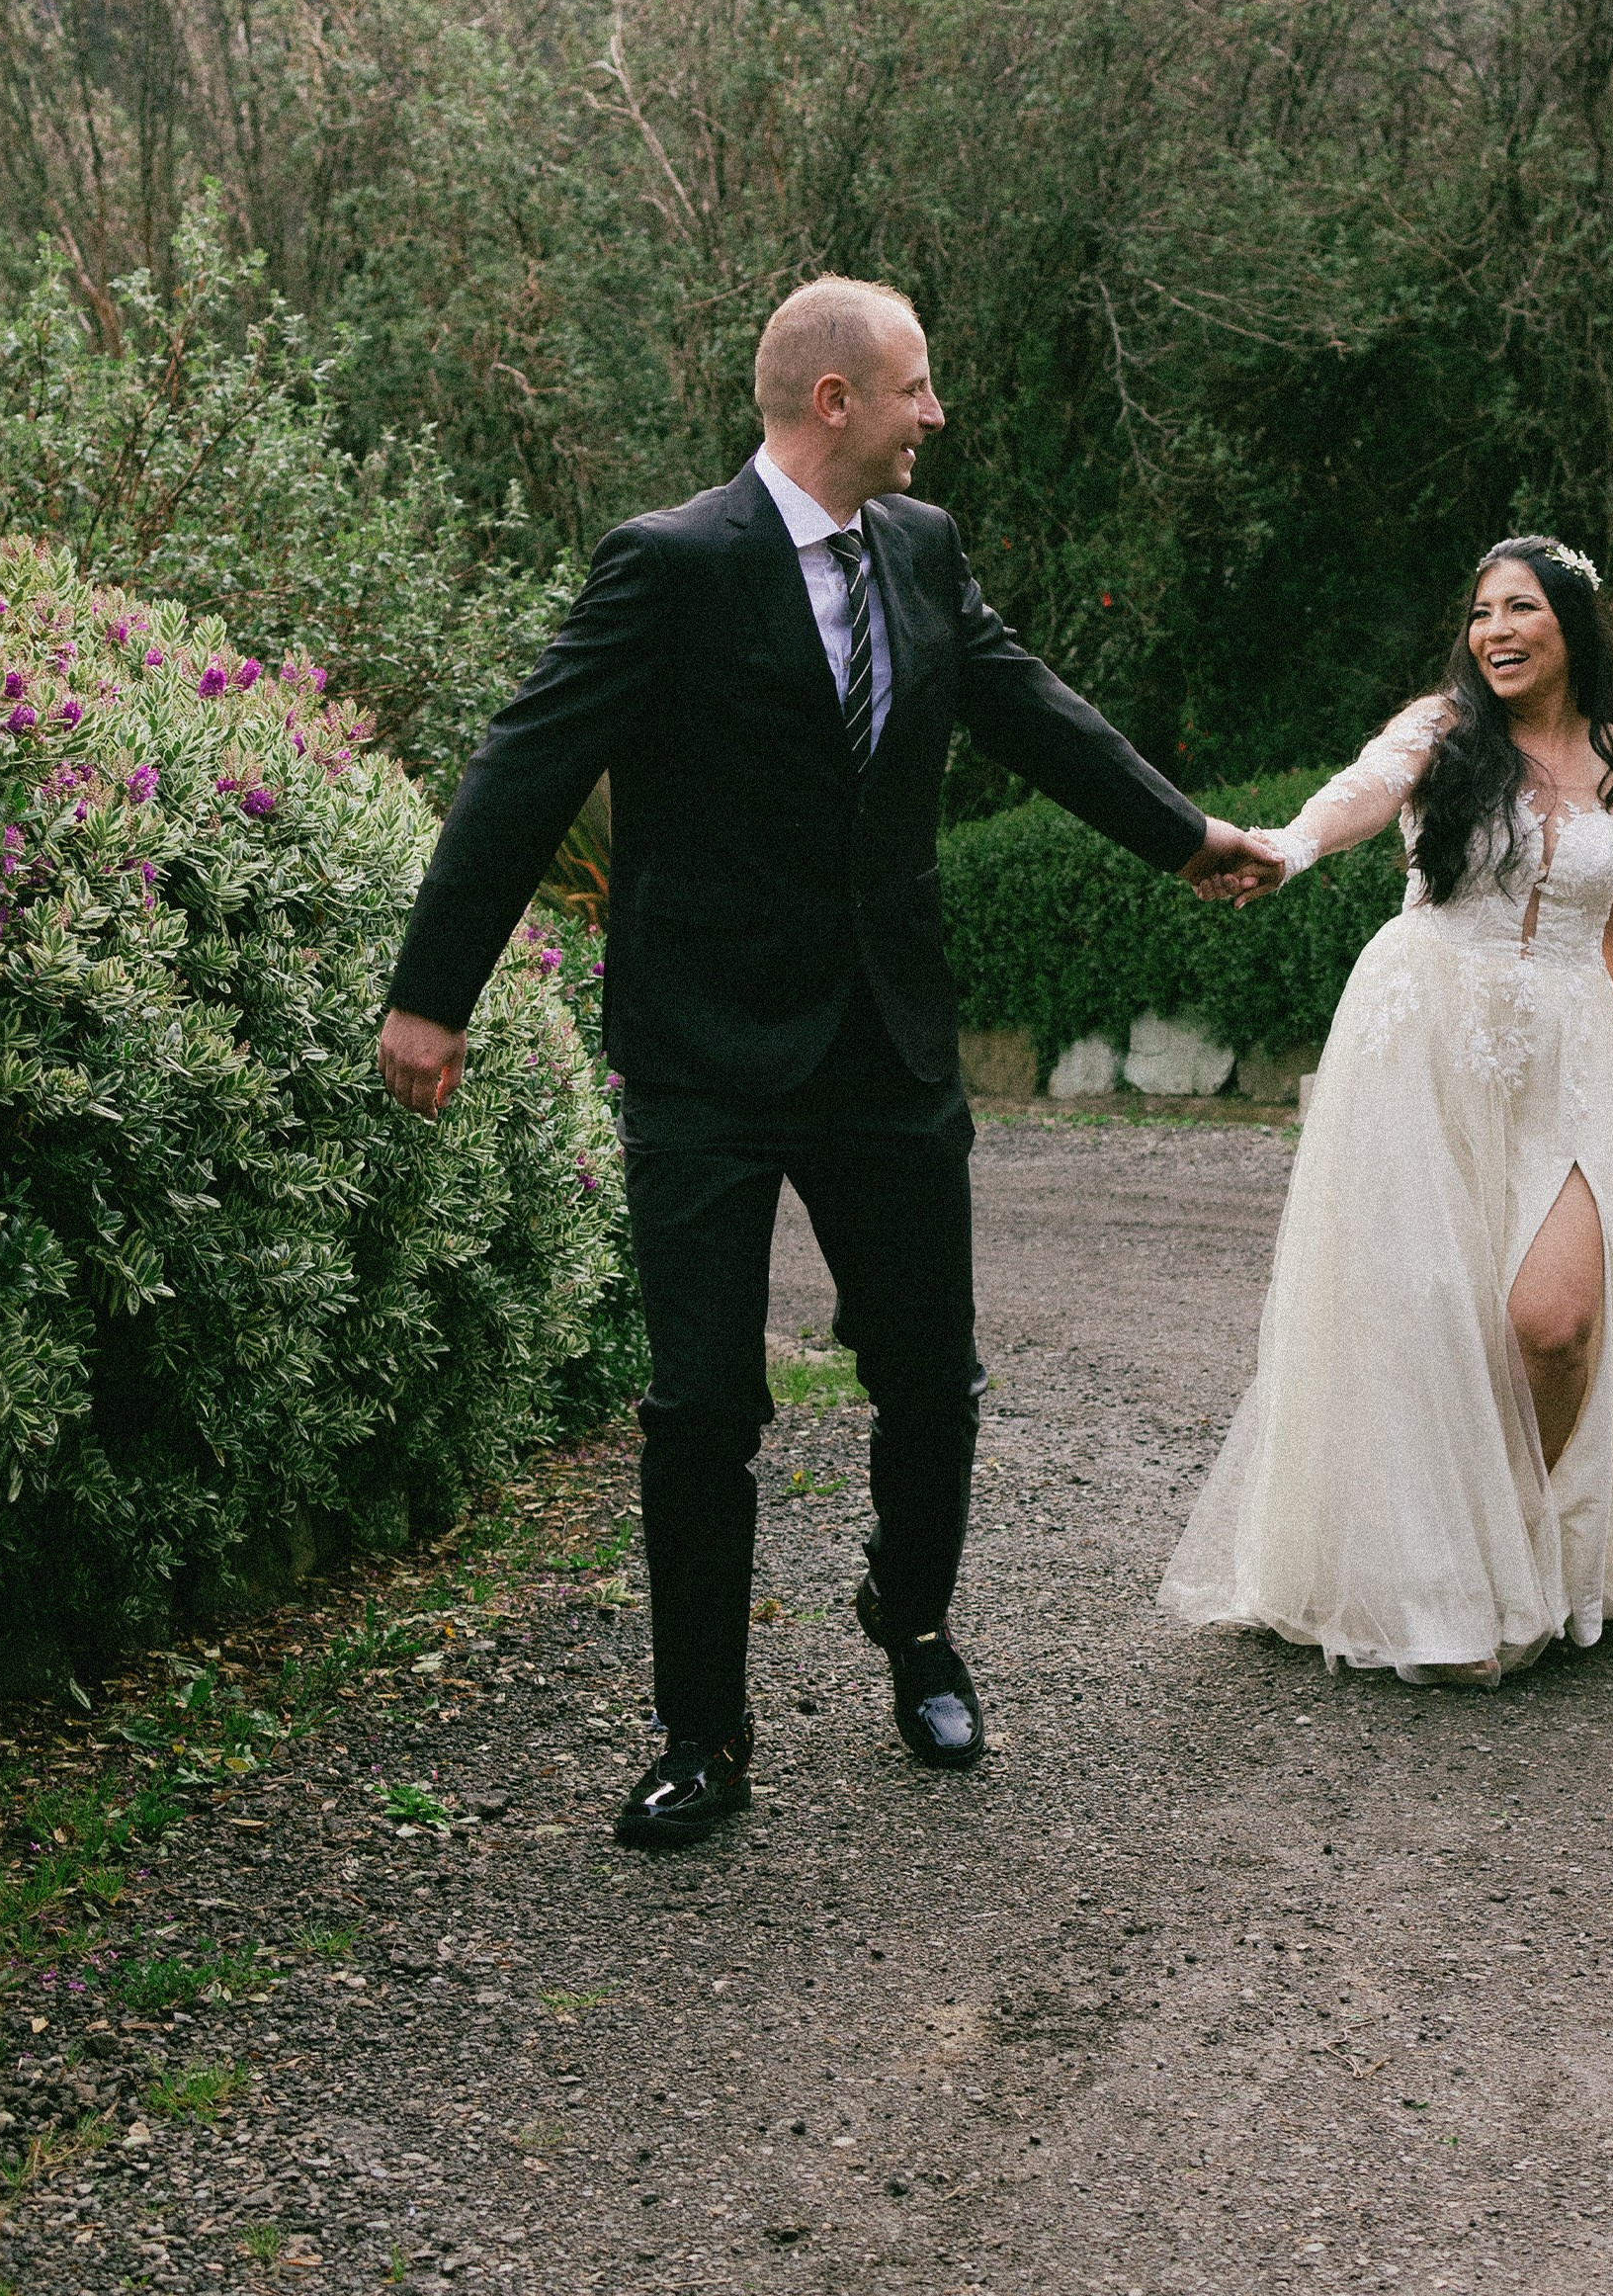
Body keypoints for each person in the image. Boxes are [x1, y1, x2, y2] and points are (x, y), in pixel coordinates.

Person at [379, 277, 1265, 1842]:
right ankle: (700, 1737)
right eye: (916, 386)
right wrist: (429, 996)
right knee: (700, 1404)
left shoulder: (919, 548)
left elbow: (1025, 706)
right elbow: (527, 765)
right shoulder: (668, 563)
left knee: (930, 1374)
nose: (937, 413)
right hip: (704, 1055)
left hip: (884, 1043)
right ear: (834, 399)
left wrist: (1182, 834)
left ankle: (912, 1626)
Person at [1158, 536, 1613, 1688]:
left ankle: (1537, 1542)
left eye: (1520, 609)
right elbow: (1360, 793)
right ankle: (1447, 1578)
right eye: (1481, 613)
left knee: (1554, 1320)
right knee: (1421, 1314)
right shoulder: (1441, 730)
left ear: (1571, 624)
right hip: (1423, 1037)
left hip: (1569, 1059)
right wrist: (1286, 848)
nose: (1495, 633)